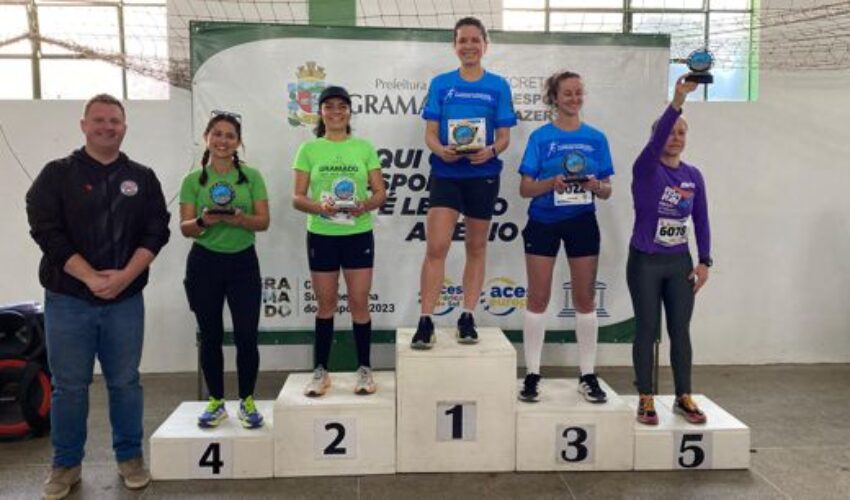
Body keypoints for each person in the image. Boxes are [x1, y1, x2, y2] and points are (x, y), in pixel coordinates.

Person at [25, 94, 170, 499]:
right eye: (100, 120)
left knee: (125, 382)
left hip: (125, 301)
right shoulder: (56, 174)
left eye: (115, 121)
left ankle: (130, 458)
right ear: (84, 124)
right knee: (70, 386)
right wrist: (90, 277)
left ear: (125, 127)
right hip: (68, 299)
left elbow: (157, 230)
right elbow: (45, 229)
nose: (108, 127)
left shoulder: (142, 177)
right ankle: (65, 465)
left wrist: (124, 277)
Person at [412, 16, 517, 348]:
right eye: (462, 40)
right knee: (437, 246)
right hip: (446, 174)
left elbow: (504, 137)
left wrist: (491, 151)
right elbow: (430, 134)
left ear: (485, 44)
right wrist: (441, 150)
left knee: (476, 246)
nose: (469, 46)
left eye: (475, 40)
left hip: (482, 175)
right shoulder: (441, 83)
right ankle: (425, 319)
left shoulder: (498, 85)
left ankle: (467, 315)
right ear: (454, 46)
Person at [516, 71, 614, 404]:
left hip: (582, 221)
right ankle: (532, 374)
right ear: (554, 98)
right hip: (543, 221)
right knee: (538, 297)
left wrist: (596, 186)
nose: (574, 98)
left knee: (585, 299)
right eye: (567, 93)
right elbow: (525, 188)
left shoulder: (596, 138)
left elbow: (607, 190)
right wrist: (550, 184)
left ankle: (587, 375)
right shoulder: (541, 138)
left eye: (578, 93)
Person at [292, 86, 387, 397]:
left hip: (357, 232)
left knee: (359, 302)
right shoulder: (309, 150)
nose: (335, 111)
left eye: (341, 106)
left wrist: (363, 205)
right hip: (322, 234)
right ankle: (320, 371)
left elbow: (380, 193)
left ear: (349, 111)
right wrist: (320, 208)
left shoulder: (364, 147)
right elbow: (297, 197)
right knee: (326, 305)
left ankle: (364, 369)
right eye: (329, 106)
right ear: (321, 112)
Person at [628, 74, 712, 425]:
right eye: (670, 132)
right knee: (647, 329)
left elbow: (702, 221)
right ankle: (646, 397)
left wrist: (705, 260)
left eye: (682, 133)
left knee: (680, 330)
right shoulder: (646, 169)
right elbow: (661, 132)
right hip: (645, 262)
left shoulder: (693, 175)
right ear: (657, 138)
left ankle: (683, 396)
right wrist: (677, 100)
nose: (675, 138)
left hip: (680, 264)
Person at [179, 111, 270, 429]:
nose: (223, 140)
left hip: (243, 262)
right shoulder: (192, 180)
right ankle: (216, 401)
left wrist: (239, 219)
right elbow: (186, 228)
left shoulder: (252, 177)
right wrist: (206, 220)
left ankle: (247, 401)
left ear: (238, 143)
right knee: (211, 336)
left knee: (247, 336)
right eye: (217, 134)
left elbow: (264, 222)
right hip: (204, 263)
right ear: (207, 138)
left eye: (230, 135)